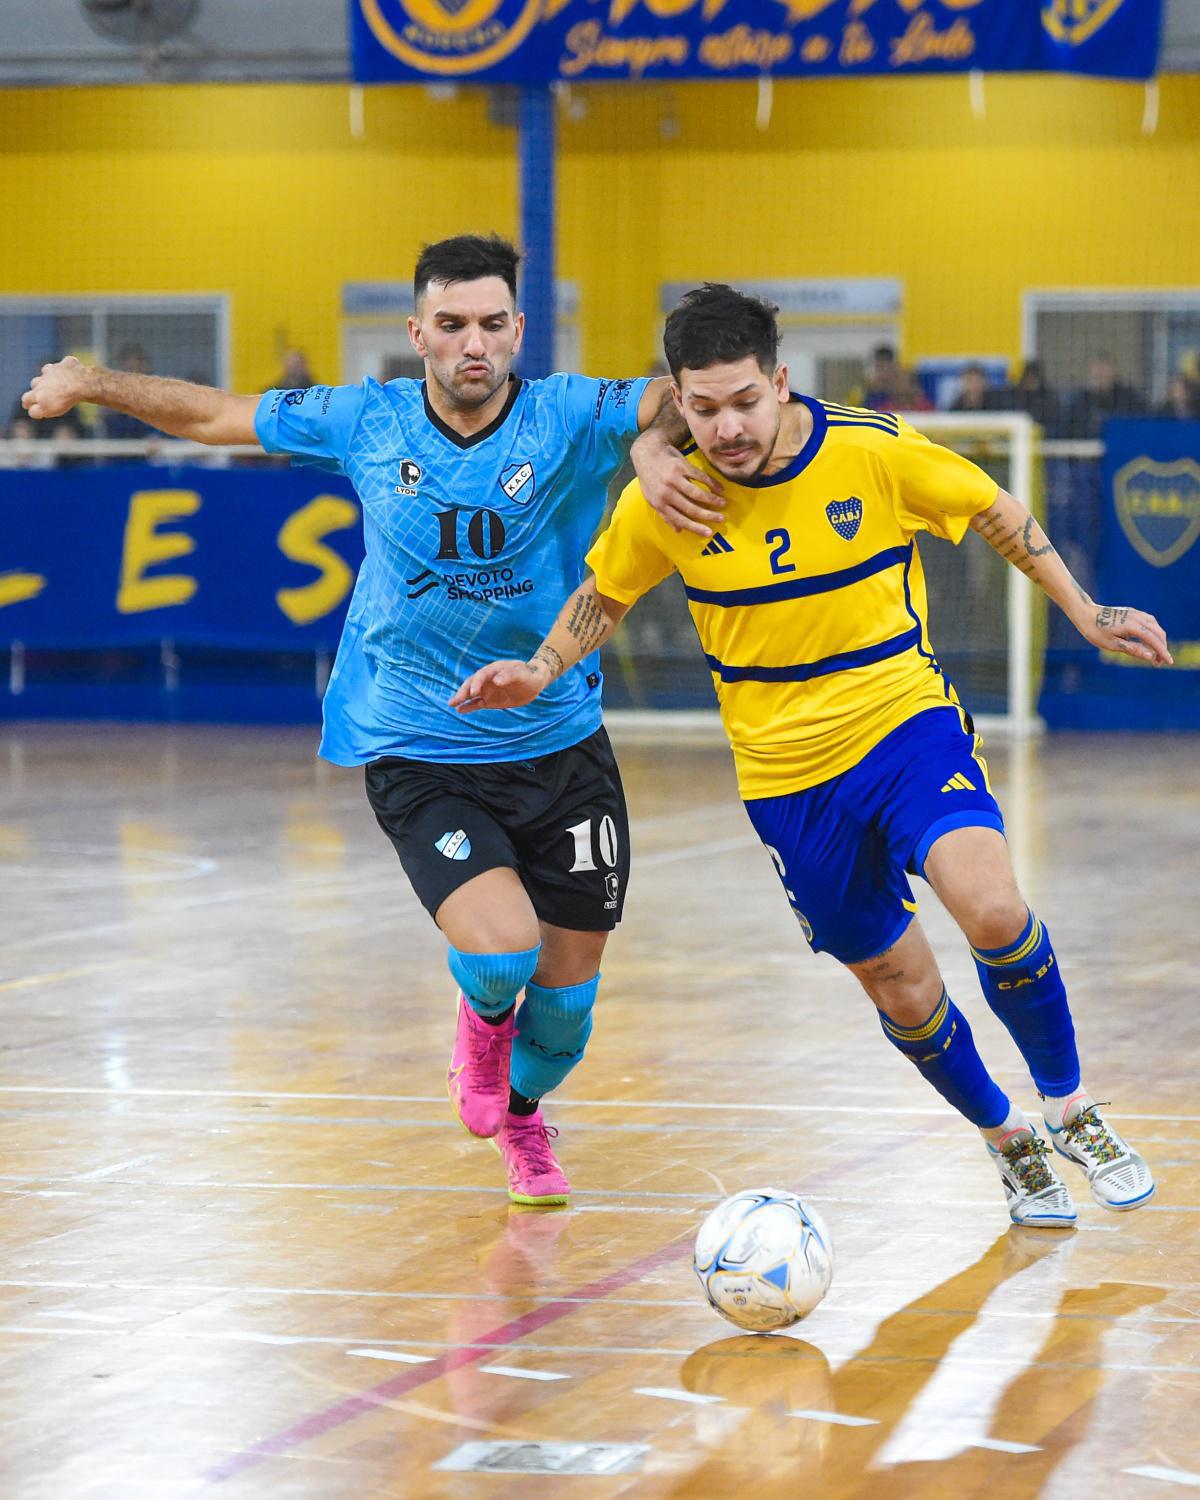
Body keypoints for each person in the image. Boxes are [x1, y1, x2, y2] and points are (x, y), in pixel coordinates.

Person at [454, 283, 1172, 1229]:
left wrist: (1088, 610)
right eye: (702, 409)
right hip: (785, 781)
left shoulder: (869, 451)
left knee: (992, 907)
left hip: (901, 725)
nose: (728, 427)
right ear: (679, 400)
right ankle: (1011, 1144)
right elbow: (605, 598)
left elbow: (994, 509)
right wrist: (541, 669)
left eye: (745, 401)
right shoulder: (666, 499)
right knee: (900, 984)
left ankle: (1073, 1108)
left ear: (781, 382)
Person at [21, 233, 715, 1207]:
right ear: (416, 334)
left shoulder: (569, 413)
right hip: (417, 736)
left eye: (491, 324)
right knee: (502, 950)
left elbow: (685, 402)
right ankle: (478, 1035)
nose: (473, 344)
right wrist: (93, 380)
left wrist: (654, 440)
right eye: (451, 325)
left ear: (518, 330)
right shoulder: (367, 420)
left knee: (565, 1022)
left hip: (559, 739)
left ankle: (524, 1109)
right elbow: (222, 414)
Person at [1065, 353, 1146, 438]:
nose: (1100, 372)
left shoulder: (1130, 397)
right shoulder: (1080, 400)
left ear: (1113, 371)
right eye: (1096, 369)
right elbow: (1066, 430)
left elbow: (1144, 422)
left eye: (1104, 368)